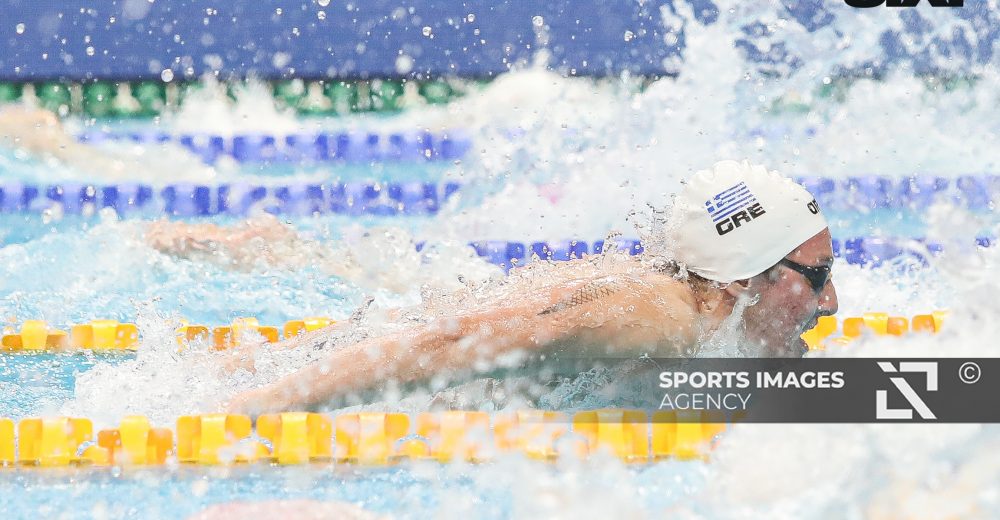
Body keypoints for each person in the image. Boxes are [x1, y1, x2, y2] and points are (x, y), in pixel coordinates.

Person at [165, 160, 835, 415]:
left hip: (465, 312)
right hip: (418, 345)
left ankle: (284, 250)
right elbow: (455, 339)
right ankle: (273, 253)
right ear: (744, 279)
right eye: (817, 278)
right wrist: (256, 408)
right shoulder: (657, 317)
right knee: (249, 372)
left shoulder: (711, 308)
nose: (832, 304)